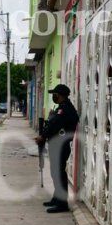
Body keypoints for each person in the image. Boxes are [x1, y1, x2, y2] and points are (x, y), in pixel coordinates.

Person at [34, 84, 79, 213]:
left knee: (59, 174)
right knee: (55, 173)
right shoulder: (62, 108)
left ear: (59, 95)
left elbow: (55, 125)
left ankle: (62, 203)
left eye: (55, 94)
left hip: (61, 145)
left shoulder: (65, 109)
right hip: (56, 144)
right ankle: (57, 198)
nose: (53, 96)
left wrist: (43, 136)